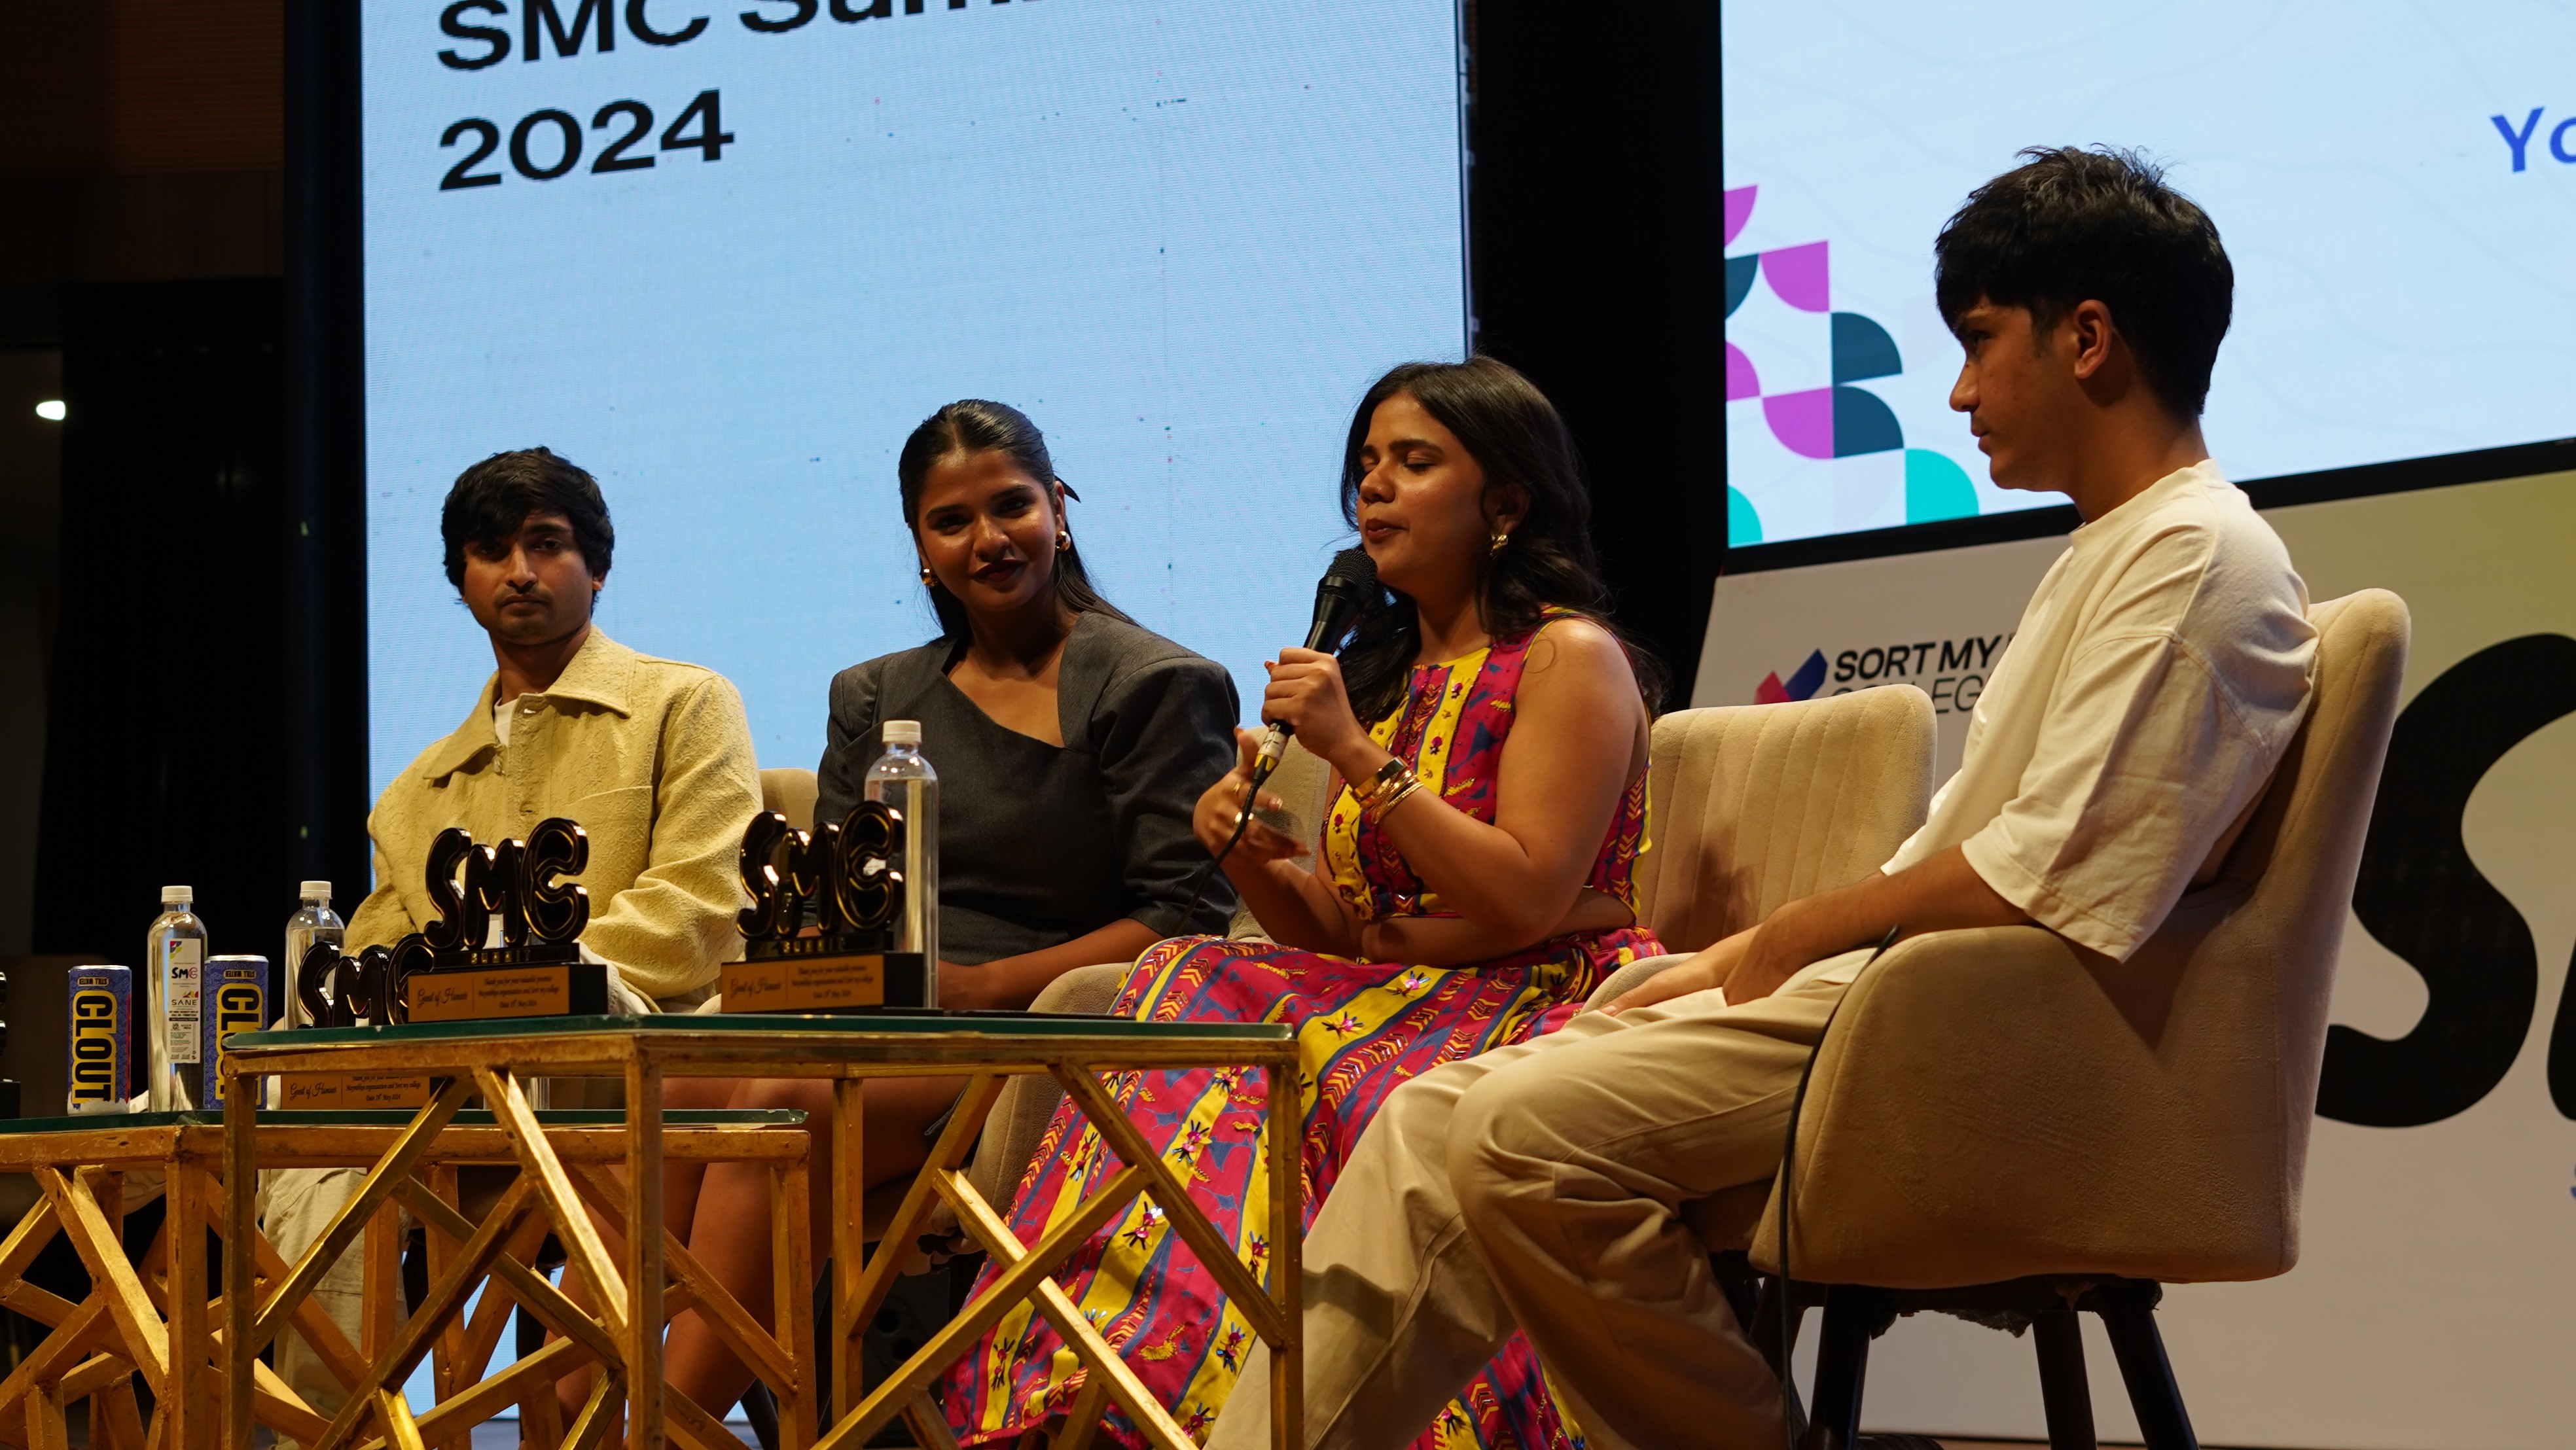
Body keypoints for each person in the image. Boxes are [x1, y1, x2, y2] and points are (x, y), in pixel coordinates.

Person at [1201, 147, 2321, 1450]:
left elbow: (2045, 879)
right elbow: (1998, 855)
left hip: (1976, 1033)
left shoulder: (2197, 556)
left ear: (2087, 338)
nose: (1958, 391)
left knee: (1510, 1134)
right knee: (1428, 1116)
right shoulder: (2116, 551)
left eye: (1977, 341)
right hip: (1904, 998)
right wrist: (1723, 962)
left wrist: (1785, 935)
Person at [943, 357, 1668, 1449]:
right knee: (1186, 974)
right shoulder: (1383, 680)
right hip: (1395, 992)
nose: (1373, 485)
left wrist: (1357, 758)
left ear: (1507, 504)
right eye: (1367, 461)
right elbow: (1337, 935)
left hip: (1531, 999)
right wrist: (1239, 855)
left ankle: (1269, 1411)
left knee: (1310, 1060)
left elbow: (1526, 896)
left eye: (1414, 462)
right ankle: (1112, 1386)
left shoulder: (1567, 656)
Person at [641, 399, 1245, 1425]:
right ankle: (591, 1421)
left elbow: (1184, 916)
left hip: (1034, 1028)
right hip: (878, 1016)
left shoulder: (1152, 682)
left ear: (1060, 509)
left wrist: (980, 987)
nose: (988, 539)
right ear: (920, 546)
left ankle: (657, 1432)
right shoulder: (875, 696)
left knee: (782, 1101)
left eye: (1012, 506)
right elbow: (838, 895)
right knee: (663, 1090)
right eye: (951, 521)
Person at [262, 446, 762, 1417]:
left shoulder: (684, 703)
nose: (521, 571)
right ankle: (335, 1427)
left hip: (631, 1072)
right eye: (493, 551)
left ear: (597, 566)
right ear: (462, 581)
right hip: (458, 1099)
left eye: (548, 544)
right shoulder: (416, 792)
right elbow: (372, 967)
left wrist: (534, 989)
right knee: (297, 1130)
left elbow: (703, 904)